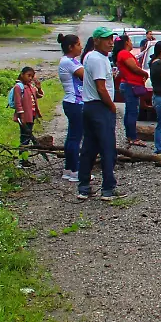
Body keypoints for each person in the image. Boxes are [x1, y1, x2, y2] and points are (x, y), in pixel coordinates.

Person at [79, 27, 119, 201]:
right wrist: (111, 106)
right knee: (107, 148)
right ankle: (108, 188)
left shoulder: (91, 56)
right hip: (99, 107)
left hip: (89, 106)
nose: (110, 42)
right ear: (96, 41)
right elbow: (101, 88)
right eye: (106, 39)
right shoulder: (98, 59)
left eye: (111, 39)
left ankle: (84, 187)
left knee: (89, 147)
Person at [57, 33, 85, 182]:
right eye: (78, 44)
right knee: (75, 137)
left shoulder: (69, 61)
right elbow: (85, 75)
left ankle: (68, 168)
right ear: (70, 47)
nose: (81, 47)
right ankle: (75, 170)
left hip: (72, 102)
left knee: (72, 137)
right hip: (75, 102)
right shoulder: (69, 62)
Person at [113, 34, 149, 148]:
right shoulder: (124, 53)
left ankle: (130, 135)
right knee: (133, 112)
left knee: (130, 111)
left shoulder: (123, 53)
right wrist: (144, 73)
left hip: (129, 84)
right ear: (126, 42)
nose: (132, 42)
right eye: (130, 40)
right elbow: (133, 67)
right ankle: (133, 137)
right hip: (131, 85)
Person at [13, 66, 43, 163]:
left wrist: (39, 88)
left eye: (32, 76)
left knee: (27, 136)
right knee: (25, 138)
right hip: (24, 117)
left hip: (31, 115)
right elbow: (18, 103)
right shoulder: (18, 87)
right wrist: (21, 116)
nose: (30, 78)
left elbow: (39, 96)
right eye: (28, 75)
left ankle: (24, 159)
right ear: (22, 75)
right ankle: (23, 160)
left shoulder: (30, 86)